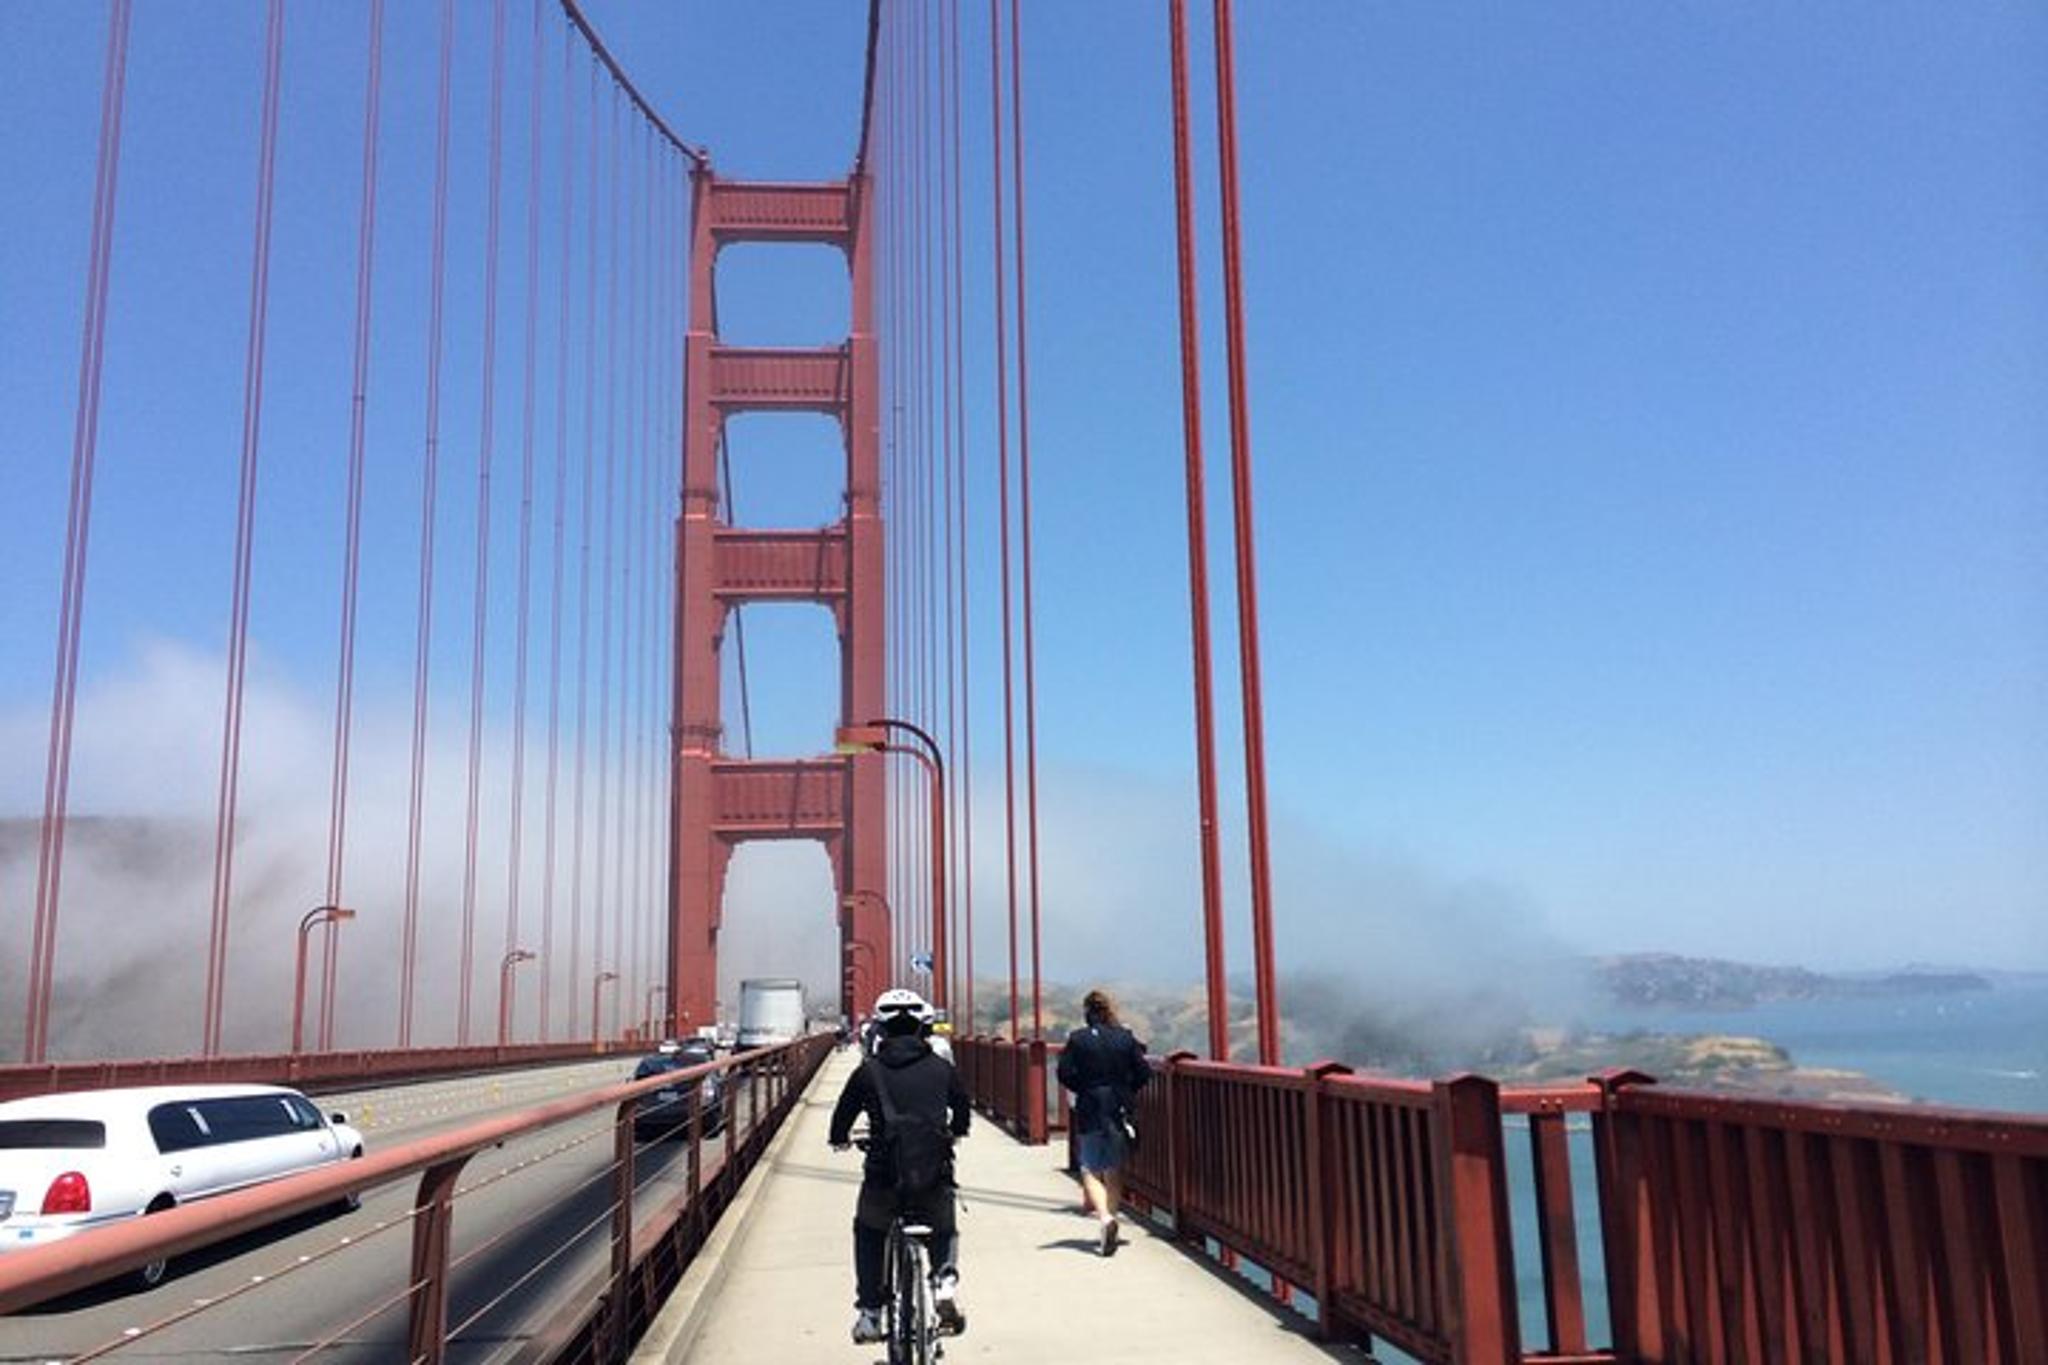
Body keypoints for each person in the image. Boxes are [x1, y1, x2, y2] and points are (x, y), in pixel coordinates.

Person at [829, 987, 971, 1343]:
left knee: (869, 1230)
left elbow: (841, 1118)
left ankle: (871, 1313)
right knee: (943, 1227)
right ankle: (944, 1281)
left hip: (883, 1177)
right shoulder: (942, 1069)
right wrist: (956, 1131)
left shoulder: (867, 1072)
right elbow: (963, 1111)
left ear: (881, 1030)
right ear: (923, 1028)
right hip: (932, 1174)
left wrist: (840, 1139)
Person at [1056, 988, 1151, 1256]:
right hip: (1119, 1106)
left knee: (1089, 1167)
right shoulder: (1124, 1038)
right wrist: (1127, 1090)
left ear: (1087, 1013)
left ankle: (1106, 1219)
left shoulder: (1078, 1039)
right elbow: (1143, 1072)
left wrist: (1084, 1088)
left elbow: (1064, 1072)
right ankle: (1112, 1217)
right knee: (1114, 1166)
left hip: (1090, 1106)